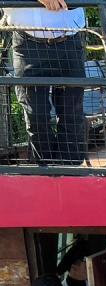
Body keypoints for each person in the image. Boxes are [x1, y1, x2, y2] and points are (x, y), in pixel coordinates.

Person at [4, 0, 87, 165]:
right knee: (35, 115)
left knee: (72, 114)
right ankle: (46, 172)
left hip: (69, 40)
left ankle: (71, 174)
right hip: (26, 44)